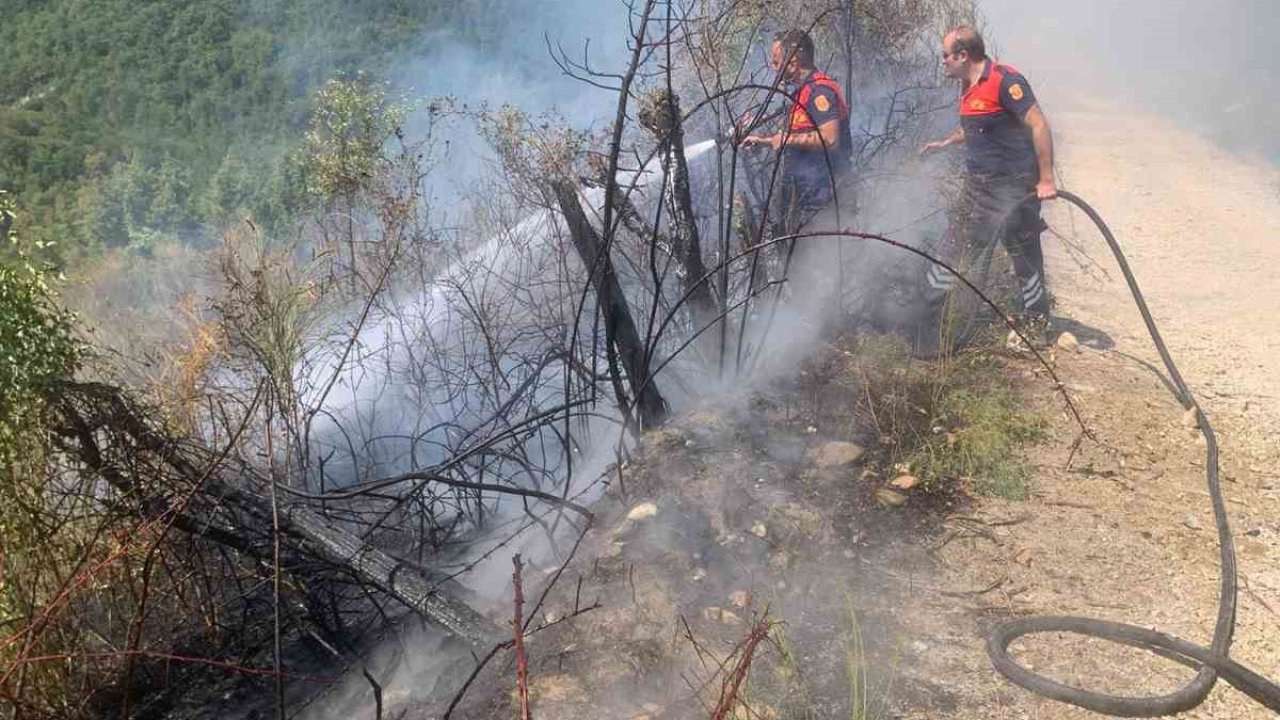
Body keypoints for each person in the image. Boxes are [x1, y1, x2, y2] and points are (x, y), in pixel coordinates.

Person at [920, 25, 1057, 348]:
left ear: (963, 55)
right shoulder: (967, 86)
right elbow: (980, 128)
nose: (942, 62)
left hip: (1015, 188)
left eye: (945, 56)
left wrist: (1046, 178)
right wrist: (945, 143)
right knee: (952, 247)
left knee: (1023, 255)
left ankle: (1036, 325)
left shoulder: (1005, 81)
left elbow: (1038, 124)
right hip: (977, 187)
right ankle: (929, 316)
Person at [741, 29, 853, 234]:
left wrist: (785, 139)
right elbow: (798, 138)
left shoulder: (819, 91)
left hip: (828, 205)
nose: (773, 68)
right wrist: (765, 141)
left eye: (776, 61)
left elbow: (829, 139)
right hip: (808, 203)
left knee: (821, 264)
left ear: (792, 62)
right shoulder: (802, 93)